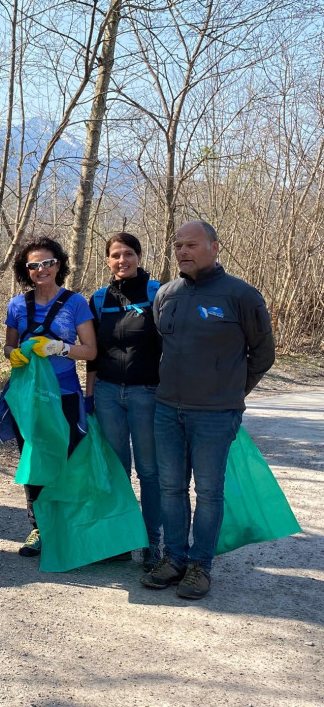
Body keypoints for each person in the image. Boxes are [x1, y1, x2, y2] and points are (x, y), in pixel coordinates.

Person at [142, 220, 275, 600]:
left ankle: (200, 566)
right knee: (171, 489)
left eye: (191, 245)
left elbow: (263, 353)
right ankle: (173, 559)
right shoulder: (166, 294)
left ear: (215, 247)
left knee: (209, 491)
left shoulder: (241, 295)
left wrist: (231, 392)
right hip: (167, 410)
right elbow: (162, 347)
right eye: (178, 245)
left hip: (216, 415)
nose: (183, 251)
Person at [3, 236, 97, 558]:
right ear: (26, 269)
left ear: (59, 265)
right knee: (33, 461)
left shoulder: (75, 303)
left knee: (66, 460)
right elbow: (9, 345)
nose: (41, 269)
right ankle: (39, 527)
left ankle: (66, 527)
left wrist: (60, 348)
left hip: (65, 394)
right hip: (28, 396)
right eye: (34, 265)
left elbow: (91, 350)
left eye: (48, 263)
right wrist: (13, 354)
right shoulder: (17, 305)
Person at [84, 232, 162, 570]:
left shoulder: (157, 293)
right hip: (107, 393)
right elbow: (92, 354)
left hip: (147, 393)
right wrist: (89, 396)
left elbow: (171, 346)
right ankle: (120, 539)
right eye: (115, 255)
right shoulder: (99, 299)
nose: (122, 260)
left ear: (139, 256)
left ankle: (152, 542)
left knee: (149, 470)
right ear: (107, 260)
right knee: (116, 470)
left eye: (128, 253)